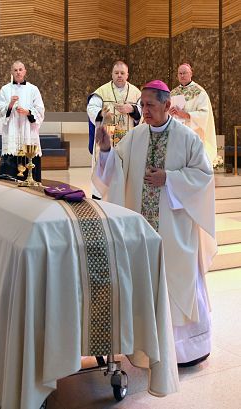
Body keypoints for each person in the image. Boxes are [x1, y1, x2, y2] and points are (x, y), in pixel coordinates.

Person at [92, 79, 217, 367]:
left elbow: (204, 175)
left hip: (176, 231)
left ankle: (186, 351)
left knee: (177, 281)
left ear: (167, 105)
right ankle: (146, 347)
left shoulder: (187, 139)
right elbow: (115, 171)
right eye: (142, 105)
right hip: (143, 231)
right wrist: (109, 149)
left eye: (150, 105)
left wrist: (170, 179)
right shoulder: (135, 137)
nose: (144, 110)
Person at [87, 60, 141, 198]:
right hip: (108, 140)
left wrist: (133, 109)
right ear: (112, 74)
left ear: (127, 75)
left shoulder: (136, 93)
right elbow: (91, 108)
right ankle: (101, 201)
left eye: (122, 73)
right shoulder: (102, 91)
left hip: (128, 141)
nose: (119, 76)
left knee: (126, 175)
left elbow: (143, 110)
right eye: (116, 73)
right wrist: (102, 114)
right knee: (105, 172)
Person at [0, 60, 45, 181]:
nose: (18, 72)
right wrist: (10, 104)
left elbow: (40, 109)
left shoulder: (33, 89)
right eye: (15, 70)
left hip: (27, 130)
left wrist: (28, 112)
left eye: (20, 69)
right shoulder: (5, 89)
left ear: (25, 71)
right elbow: (0, 108)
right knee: (9, 169)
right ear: (11, 72)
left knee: (30, 157)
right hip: (12, 130)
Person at [169, 63, 217, 163]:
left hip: (193, 133)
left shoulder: (199, 92)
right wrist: (169, 112)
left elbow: (204, 114)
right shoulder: (173, 93)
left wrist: (186, 115)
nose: (182, 75)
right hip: (176, 134)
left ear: (191, 74)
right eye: (180, 73)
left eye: (185, 73)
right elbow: (166, 113)